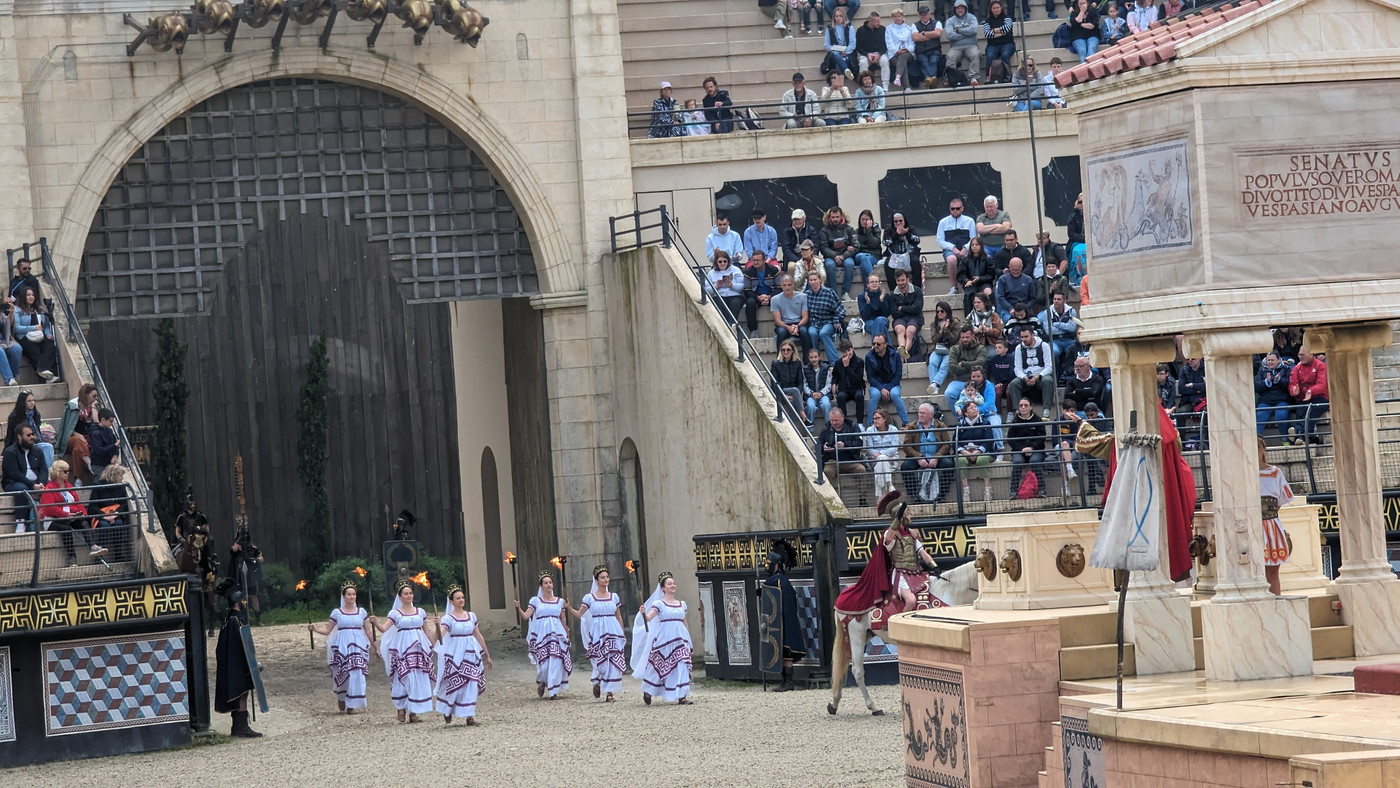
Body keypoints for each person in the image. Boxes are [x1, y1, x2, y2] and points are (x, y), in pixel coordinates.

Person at [308, 580, 374, 714]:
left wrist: (375, 647)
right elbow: (327, 630)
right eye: (349, 594)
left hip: (358, 644)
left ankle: (352, 702)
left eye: (354, 594)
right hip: (343, 644)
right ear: (343, 597)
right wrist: (314, 629)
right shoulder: (337, 612)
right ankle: (342, 696)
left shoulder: (361, 612)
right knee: (344, 671)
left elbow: (368, 631)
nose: (351, 597)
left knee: (357, 671)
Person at [376, 579, 436, 721]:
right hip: (403, 647)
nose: (409, 596)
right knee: (404, 676)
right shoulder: (395, 613)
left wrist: (435, 646)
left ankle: (414, 712)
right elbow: (384, 628)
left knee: (418, 676)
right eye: (406, 594)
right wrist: (375, 623)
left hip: (418, 647)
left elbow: (427, 631)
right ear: (400, 597)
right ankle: (401, 708)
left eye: (410, 593)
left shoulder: (420, 612)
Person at [632, 572, 693, 705]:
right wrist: (643, 613)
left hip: (680, 638)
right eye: (669, 584)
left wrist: (688, 639)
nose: (673, 585)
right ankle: (648, 690)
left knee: (681, 663)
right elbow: (648, 618)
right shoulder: (659, 604)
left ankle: (682, 695)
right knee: (659, 666)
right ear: (663, 588)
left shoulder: (682, 604)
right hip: (664, 638)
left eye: (674, 583)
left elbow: (684, 622)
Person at [435, 584, 491, 724]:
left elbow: (478, 635)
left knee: (472, 682)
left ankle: (469, 716)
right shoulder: (448, 619)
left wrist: (487, 654)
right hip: (455, 653)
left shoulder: (471, 616)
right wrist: (437, 626)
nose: (461, 600)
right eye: (457, 598)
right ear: (452, 601)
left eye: (462, 597)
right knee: (455, 682)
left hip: (471, 652)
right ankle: (448, 709)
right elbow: (440, 637)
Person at [568, 565, 625, 702]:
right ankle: (597, 681)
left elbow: (618, 616)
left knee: (613, 661)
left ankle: (609, 692)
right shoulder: (590, 598)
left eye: (607, 577)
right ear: (597, 580)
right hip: (598, 631)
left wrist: (622, 632)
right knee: (600, 661)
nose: (605, 580)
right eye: (602, 577)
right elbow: (580, 614)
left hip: (613, 630)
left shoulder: (614, 597)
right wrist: (568, 607)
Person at [515, 571, 572, 700]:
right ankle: (541, 680)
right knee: (544, 664)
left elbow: (563, 619)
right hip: (541, 634)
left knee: (556, 660)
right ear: (541, 586)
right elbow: (525, 616)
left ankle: (553, 691)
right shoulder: (536, 601)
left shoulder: (559, 601)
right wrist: (518, 608)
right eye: (545, 583)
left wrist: (566, 635)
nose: (548, 585)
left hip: (556, 635)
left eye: (550, 582)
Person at [214, 588, 264, 738]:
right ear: (237, 603)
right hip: (237, 663)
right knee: (242, 692)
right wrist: (252, 663)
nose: (245, 603)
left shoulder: (228, 619)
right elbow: (242, 645)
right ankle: (241, 727)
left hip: (232, 663)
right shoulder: (236, 620)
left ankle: (238, 726)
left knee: (240, 693)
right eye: (243, 600)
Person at [39, 459, 107, 565]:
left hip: (69, 517)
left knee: (83, 522)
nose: (68, 473)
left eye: (68, 471)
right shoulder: (49, 488)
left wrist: (82, 513)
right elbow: (50, 508)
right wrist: (66, 514)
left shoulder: (69, 486)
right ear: (58, 472)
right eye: (65, 471)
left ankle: (93, 546)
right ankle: (72, 557)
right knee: (65, 529)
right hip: (53, 519)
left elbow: (77, 503)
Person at [762, 541, 808, 692]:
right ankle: (784, 681)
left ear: (776, 565)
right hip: (778, 623)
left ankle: (788, 683)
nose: (768, 566)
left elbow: (784, 603)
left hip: (785, 623)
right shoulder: (775, 581)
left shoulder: (781, 581)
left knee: (787, 652)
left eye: (770, 564)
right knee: (781, 652)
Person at [880, 490, 936, 611]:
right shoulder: (889, 534)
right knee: (911, 601)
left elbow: (923, 553)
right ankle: (901, 626)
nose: (911, 517)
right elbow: (888, 540)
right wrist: (896, 519)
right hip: (900, 575)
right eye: (908, 514)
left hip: (916, 573)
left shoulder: (912, 533)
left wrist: (934, 566)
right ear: (901, 517)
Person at [1258, 436, 1295, 596]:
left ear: (1263, 449)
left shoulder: (1275, 473)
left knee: (1272, 572)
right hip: (1252, 526)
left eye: (1257, 446)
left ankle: (1276, 604)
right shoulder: (1242, 474)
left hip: (1271, 526)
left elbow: (1281, 500)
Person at [901, 402, 953, 503]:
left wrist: (936, 457)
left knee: (949, 464)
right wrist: (918, 457)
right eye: (919, 413)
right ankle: (915, 495)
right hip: (918, 456)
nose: (920, 415)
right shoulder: (912, 426)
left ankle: (941, 495)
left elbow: (947, 444)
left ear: (931, 415)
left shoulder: (940, 426)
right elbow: (907, 446)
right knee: (905, 467)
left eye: (923, 413)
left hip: (936, 456)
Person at [1, 423, 46, 532]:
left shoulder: (37, 451)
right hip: (13, 482)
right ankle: (21, 522)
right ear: (19, 437)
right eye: (28, 435)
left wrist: (41, 483)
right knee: (22, 489)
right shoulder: (10, 452)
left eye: (32, 434)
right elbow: (14, 474)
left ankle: (49, 520)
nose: (32, 437)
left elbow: (43, 470)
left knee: (52, 486)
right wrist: (32, 485)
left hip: (35, 483)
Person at [86, 463, 133, 561]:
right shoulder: (98, 486)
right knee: (104, 526)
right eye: (120, 475)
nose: (122, 478)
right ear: (114, 475)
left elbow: (124, 504)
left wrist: (116, 514)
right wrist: (105, 516)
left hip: (115, 514)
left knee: (119, 524)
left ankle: (118, 554)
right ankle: (99, 556)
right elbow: (92, 506)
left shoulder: (121, 486)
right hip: (101, 515)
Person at [13, 286, 58, 382]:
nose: (31, 297)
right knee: (35, 351)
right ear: (23, 297)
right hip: (24, 336)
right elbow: (17, 328)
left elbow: (45, 325)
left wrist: (48, 333)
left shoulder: (39, 310)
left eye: (33, 295)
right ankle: (46, 377)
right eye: (28, 295)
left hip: (39, 335)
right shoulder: (17, 310)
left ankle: (43, 371)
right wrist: (34, 327)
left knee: (50, 345)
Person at [954, 400, 995, 502]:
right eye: (971, 408)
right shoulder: (960, 425)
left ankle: (987, 489)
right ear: (966, 413)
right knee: (960, 460)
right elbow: (955, 443)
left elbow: (989, 441)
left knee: (981, 459)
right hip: (966, 452)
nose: (974, 408)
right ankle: (966, 489)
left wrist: (979, 451)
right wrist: (964, 452)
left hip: (984, 452)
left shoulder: (985, 422)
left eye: (975, 406)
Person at [1006, 397, 1047, 498]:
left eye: (1026, 405)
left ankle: (1042, 490)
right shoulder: (1014, 421)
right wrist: (1022, 449)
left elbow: (1041, 437)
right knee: (1018, 462)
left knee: (1035, 461)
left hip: (1036, 450)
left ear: (1031, 407)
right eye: (1021, 406)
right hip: (1019, 451)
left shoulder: (1038, 420)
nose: (1023, 407)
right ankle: (1013, 491)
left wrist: (1032, 448)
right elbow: (1011, 439)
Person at [57, 383, 98, 483]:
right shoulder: (72, 407)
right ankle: (89, 463)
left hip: (87, 438)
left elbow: (97, 424)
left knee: (77, 450)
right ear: (86, 395)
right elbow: (67, 427)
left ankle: (78, 479)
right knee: (77, 441)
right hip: (72, 438)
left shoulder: (92, 408)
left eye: (97, 396)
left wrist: (93, 408)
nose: (96, 398)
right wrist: (77, 434)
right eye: (94, 396)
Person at [865, 333, 908, 426]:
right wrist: (881, 388)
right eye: (874, 343)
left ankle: (906, 423)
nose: (875, 346)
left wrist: (887, 388)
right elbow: (870, 377)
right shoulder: (869, 357)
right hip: (876, 385)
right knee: (875, 395)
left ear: (885, 344)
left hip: (892, 384)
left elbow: (898, 375)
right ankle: (870, 424)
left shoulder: (895, 355)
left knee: (895, 394)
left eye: (878, 344)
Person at [819, 404, 867, 488]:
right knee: (827, 471)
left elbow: (859, 444)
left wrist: (845, 445)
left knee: (861, 470)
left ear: (842, 417)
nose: (833, 423)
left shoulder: (853, 426)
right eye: (831, 420)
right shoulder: (826, 428)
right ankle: (834, 498)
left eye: (836, 420)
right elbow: (818, 444)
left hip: (851, 460)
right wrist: (823, 448)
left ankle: (862, 498)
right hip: (832, 461)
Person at [1009, 326, 1055, 413]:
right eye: (1022, 337)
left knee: (1048, 380)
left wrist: (1038, 376)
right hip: (1026, 376)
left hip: (1041, 375)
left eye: (1026, 337)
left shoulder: (1044, 346)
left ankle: (1046, 410)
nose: (1023, 339)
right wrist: (1024, 377)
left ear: (1032, 335)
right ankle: (1017, 411)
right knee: (1014, 383)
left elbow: (1049, 367)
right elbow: (1017, 368)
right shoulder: (1019, 348)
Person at [936, 198, 976, 297]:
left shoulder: (969, 221)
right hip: (950, 250)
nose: (955, 211)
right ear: (949, 209)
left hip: (966, 250)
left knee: (969, 259)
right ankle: (954, 287)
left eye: (957, 208)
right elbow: (939, 240)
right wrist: (952, 248)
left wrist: (965, 248)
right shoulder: (943, 222)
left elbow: (974, 238)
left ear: (962, 208)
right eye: (953, 209)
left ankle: (970, 285)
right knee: (951, 259)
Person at [6, 390, 56, 469]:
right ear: (23, 402)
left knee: (48, 447)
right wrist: (5, 451)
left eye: (33, 400)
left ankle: (48, 473)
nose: (32, 403)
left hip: (36, 442)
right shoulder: (14, 416)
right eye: (29, 401)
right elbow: (9, 435)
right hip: (22, 444)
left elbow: (38, 432)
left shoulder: (36, 415)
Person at [802, 270, 843, 364]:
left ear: (820, 280)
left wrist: (836, 321)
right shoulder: (806, 295)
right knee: (812, 333)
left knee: (823, 333)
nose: (812, 282)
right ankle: (816, 361)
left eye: (814, 279)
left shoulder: (829, 292)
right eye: (810, 280)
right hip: (814, 323)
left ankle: (834, 362)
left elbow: (840, 310)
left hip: (828, 321)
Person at [1289, 349, 1328, 445]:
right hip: (1302, 398)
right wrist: (1294, 390)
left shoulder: (1321, 366)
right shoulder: (1297, 368)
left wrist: (1311, 391)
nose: (1300, 357)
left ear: (1311, 354)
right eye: (1299, 355)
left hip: (1320, 397)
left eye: (1303, 354)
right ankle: (1301, 437)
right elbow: (1292, 384)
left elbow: (1322, 385)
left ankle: (1298, 431)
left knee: (1311, 413)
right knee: (1300, 412)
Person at [818, 207, 859, 294]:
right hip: (831, 257)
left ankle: (845, 292)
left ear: (842, 216)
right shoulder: (824, 231)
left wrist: (844, 256)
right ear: (829, 217)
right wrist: (834, 256)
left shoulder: (849, 229)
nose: (835, 219)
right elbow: (823, 247)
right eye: (833, 217)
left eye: (837, 217)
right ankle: (833, 293)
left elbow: (856, 246)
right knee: (829, 265)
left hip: (846, 256)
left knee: (850, 264)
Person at [741, 249, 781, 336]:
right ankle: (753, 331)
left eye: (758, 260)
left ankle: (779, 329)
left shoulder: (773, 270)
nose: (755, 262)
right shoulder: (748, 272)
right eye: (754, 260)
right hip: (756, 296)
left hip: (770, 295)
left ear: (764, 260)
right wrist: (758, 297)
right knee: (750, 302)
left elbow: (779, 287)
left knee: (779, 301)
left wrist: (769, 297)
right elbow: (746, 290)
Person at [864, 409, 902, 497]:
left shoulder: (893, 429)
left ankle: (879, 497)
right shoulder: (870, 430)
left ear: (885, 419)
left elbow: (894, 448)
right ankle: (889, 485)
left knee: (881, 462)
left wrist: (881, 453)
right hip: (876, 460)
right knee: (882, 459)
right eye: (874, 418)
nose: (875, 420)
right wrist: (884, 456)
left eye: (877, 418)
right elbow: (870, 449)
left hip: (891, 460)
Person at [1255, 353, 1293, 442]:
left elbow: (1290, 384)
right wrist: (1266, 382)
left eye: (1272, 360)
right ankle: (1257, 441)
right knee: (1260, 415)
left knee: (1281, 415)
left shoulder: (1286, 370)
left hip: (1282, 400)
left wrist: (1279, 380)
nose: (1270, 362)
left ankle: (1285, 440)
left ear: (1279, 360)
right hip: (1265, 401)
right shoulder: (1262, 371)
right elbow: (1256, 386)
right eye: (1268, 360)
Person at [942, 326, 984, 405]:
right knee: (949, 393)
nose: (965, 339)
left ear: (973, 336)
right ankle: (961, 416)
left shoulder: (981, 349)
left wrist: (963, 364)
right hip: (960, 381)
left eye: (967, 337)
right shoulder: (954, 349)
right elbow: (952, 368)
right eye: (963, 337)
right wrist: (973, 368)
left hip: (977, 382)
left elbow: (981, 363)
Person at [888, 270, 923, 362]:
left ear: (908, 279)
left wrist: (902, 308)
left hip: (915, 318)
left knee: (910, 332)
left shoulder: (917, 291)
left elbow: (918, 308)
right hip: (900, 319)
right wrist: (910, 309)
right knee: (900, 330)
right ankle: (902, 350)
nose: (901, 283)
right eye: (898, 280)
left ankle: (905, 353)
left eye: (903, 280)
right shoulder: (892, 295)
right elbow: (894, 313)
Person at [1039, 291, 1078, 370]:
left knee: (1075, 351)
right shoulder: (1047, 312)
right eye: (1054, 299)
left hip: (1069, 340)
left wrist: (1057, 324)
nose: (1056, 301)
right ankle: (1055, 375)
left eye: (1059, 299)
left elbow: (1072, 328)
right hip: (1054, 340)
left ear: (1064, 300)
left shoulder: (1071, 311)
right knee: (1054, 352)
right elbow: (1049, 331)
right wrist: (1065, 327)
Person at [832, 339, 867, 426]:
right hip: (844, 389)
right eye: (844, 352)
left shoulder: (860, 362)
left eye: (849, 350)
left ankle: (860, 423)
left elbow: (857, 379)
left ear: (852, 348)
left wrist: (847, 367)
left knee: (859, 396)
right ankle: (845, 422)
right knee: (840, 397)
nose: (847, 353)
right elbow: (835, 375)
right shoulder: (838, 363)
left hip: (857, 387)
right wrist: (834, 384)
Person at [926, 301, 959, 395]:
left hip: (950, 348)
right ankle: (934, 387)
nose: (940, 313)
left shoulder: (955, 322)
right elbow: (934, 340)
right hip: (937, 348)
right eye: (938, 311)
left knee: (945, 364)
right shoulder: (934, 323)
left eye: (942, 311)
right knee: (932, 362)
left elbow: (954, 339)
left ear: (947, 312)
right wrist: (941, 330)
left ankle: (934, 384)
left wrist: (947, 329)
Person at [883, 211, 922, 290]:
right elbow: (885, 242)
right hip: (894, 255)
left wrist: (907, 233)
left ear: (904, 220)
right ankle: (893, 290)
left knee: (915, 262)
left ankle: (917, 289)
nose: (898, 223)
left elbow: (917, 240)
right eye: (896, 221)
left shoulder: (910, 228)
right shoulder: (889, 230)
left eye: (900, 221)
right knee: (887, 264)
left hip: (910, 254)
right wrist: (896, 234)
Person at [769, 275, 809, 351]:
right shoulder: (775, 299)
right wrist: (788, 328)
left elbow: (805, 317)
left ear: (793, 284)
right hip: (784, 324)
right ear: (781, 286)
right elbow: (777, 321)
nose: (787, 288)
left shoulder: (803, 297)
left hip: (799, 323)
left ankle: (807, 359)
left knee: (804, 331)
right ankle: (780, 360)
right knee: (781, 332)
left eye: (789, 285)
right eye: (784, 285)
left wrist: (797, 326)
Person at [956, 237, 995, 315]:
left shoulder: (988, 259)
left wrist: (980, 278)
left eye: (977, 244)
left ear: (981, 246)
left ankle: (990, 315)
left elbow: (991, 275)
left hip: (984, 282)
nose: (974, 247)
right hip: (970, 283)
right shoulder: (965, 259)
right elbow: (960, 275)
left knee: (988, 292)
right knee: (969, 294)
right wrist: (966, 281)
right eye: (972, 245)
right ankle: (969, 318)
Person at [945, 0, 980, 85]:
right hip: (956, 47)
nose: (960, 10)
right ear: (955, 9)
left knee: (975, 54)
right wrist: (967, 34)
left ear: (965, 8)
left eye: (962, 8)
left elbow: (974, 30)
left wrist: (958, 30)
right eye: (958, 8)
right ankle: (950, 79)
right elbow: (950, 35)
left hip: (971, 45)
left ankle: (973, 78)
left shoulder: (971, 17)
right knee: (950, 56)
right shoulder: (950, 21)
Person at [706, 250, 745, 324]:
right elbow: (706, 291)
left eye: (725, 261)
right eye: (720, 262)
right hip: (719, 296)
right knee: (721, 305)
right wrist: (716, 286)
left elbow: (743, 286)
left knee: (735, 304)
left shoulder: (736, 270)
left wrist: (732, 285)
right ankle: (728, 326)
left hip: (735, 295)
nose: (723, 263)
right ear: (716, 262)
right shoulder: (711, 273)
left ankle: (731, 325)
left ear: (728, 261)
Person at [771, 339, 806, 421]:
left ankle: (793, 426)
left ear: (793, 351)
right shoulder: (775, 363)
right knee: (795, 390)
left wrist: (797, 395)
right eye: (783, 350)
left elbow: (800, 382)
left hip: (795, 393)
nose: (785, 352)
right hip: (781, 391)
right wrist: (784, 395)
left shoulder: (797, 363)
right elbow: (775, 383)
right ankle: (803, 416)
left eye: (788, 349)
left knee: (792, 401)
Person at [854, 11, 890, 88]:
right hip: (865, 54)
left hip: (879, 54)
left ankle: (885, 86)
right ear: (870, 21)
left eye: (879, 21)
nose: (879, 23)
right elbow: (858, 46)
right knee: (863, 63)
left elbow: (886, 44)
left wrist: (879, 54)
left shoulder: (883, 29)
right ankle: (864, 86)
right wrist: (867, 54)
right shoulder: (861, 30)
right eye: (877, 22)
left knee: (885, 61)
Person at [981, 0, 1015, 81]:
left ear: (1001, 8)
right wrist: (1002, 33)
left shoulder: (1007, 18)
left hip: (1008, 43)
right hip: (992, 45)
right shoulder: (987, 21)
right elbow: (987, 34)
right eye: (994, 8)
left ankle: (1007, 75)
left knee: (1005, 55)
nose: (996, 9)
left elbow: (1007, 28)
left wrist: (994, 30)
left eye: (998, 8)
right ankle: (988, 77)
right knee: (990, 56)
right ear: (991, 10)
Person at [911, 4, 944, 87]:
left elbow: (938, 34)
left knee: (933, 60)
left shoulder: (937, 23)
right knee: (923, 62)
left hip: (934, 49)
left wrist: (923, 33)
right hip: (921, 51)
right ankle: (933, 80)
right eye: (921, 14)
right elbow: (915, 38)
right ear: (919, 15)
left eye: (925, 14)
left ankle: (928, 79)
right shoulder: (914, 25)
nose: (923, 16)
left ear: (929, 14)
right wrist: (931, 36)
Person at [994, 256, 1035, 320]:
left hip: (1025, 309)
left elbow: (1032, 298)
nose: (1015, 272)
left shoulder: (1028, 280)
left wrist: (1025, 309)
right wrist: (1010, 308)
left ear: (1021, 267)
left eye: (1017, 270)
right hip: (1009, 310)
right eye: (1013, 270)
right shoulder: (1002, 279)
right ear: (1009, 267)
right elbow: (1000, 297)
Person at [885, 8, 916, 90]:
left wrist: (907, 49)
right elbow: (889, 43)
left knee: (903, 57)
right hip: (894, 54)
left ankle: (897, 77)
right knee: (902, 63)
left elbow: (912, 42)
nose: (897, 18)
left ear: (902, 17)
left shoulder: (908, 28)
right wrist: (896, 51)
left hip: (907, 53)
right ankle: (907, 87)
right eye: (895, 16)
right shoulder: (889, 29)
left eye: (899, 16)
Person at [802, 347, 834, 424]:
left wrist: (821, 393)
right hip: (810, 395)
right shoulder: (805, 369)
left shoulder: (825, 368)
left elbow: (829, 384)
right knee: (810, 406)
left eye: (815, 357)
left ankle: (828, 426)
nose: (814, 359)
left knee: (826, 404)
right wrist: (811, 393)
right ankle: (810, 427)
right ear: (809, 359)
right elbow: (804, 384)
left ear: (819, 357)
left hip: (823, 394)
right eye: (811, 357)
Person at [824, 8, 858, 79]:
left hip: (847, 53)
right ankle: (846, 70)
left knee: (839, 63)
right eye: (836, 16)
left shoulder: (849, 27)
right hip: (834, 53)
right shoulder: (830, 28)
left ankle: (840, 87)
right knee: (836, 55)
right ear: (834, 17)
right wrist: (838, 50)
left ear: (844, 17)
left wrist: (845, 51)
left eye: (840, 16)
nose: (838, 18)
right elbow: (827, 45)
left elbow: (852, 44)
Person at [853, 211, 883, 282]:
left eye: (867, 220)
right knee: (862, 257)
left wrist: (868, 230)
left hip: (873, 255)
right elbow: (856, 247)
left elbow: (874, 244)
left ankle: (867, 289)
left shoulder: (876, 230)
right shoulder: (856, 232)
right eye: (862, 219)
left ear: (871, 220)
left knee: (863, 265)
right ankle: (873, 280)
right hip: (860, 255)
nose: (864, 222)